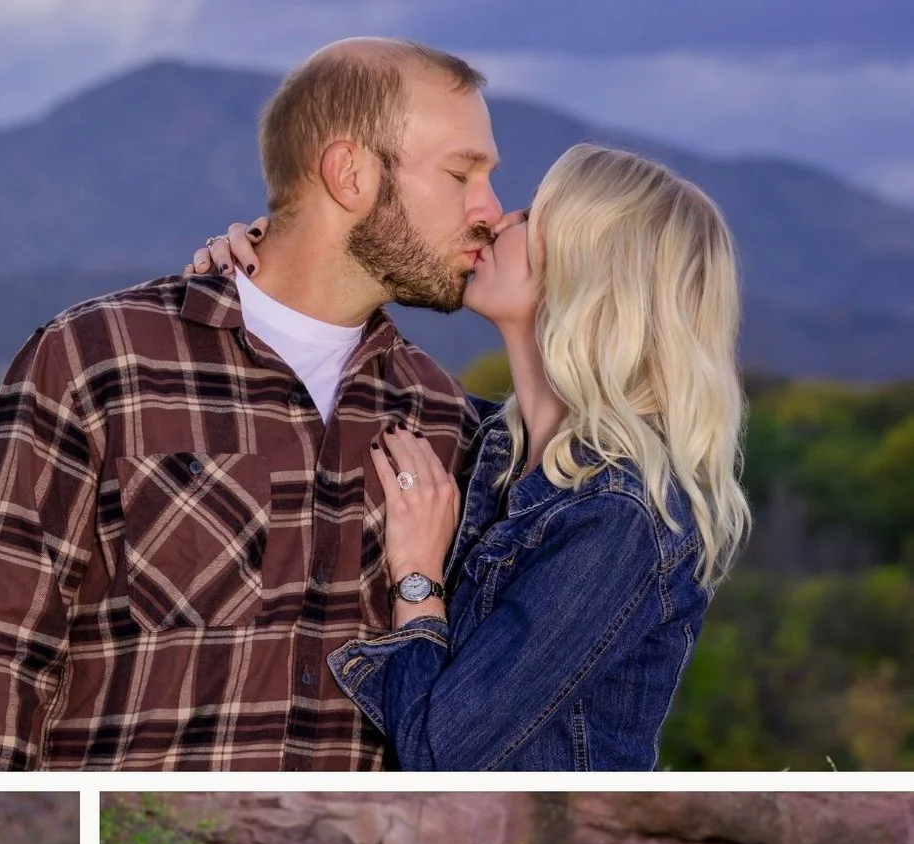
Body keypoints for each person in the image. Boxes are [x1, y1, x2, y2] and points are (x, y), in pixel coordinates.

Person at [0, 38, 496, 769]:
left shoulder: (447, 420)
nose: (490, 210)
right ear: (350, 173)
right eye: (461, 174)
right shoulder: (102, 360)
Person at [201, 149, 750, 767]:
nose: (496, 220)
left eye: (532, 216)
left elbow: (443, 756)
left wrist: (417, 576)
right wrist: (264, 279)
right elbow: (337, 383)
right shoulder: (486, 443)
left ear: (586, 270)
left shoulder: (621, 516)